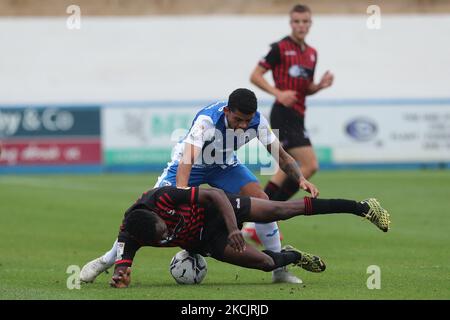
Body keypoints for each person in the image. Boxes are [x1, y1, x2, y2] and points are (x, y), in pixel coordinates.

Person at [81, 88, 318, 284]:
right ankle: (107, 260)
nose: (243, 126)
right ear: (227, 111)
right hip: (189, 164)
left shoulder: (257, 122)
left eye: (248, 120)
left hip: (224, 164)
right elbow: (188, 159)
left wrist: (300, 179)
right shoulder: (207, 120)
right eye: (238, 120)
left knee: (263, 200)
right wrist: (181, 194)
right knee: (148, 210)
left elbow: (283, 157)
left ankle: (279, 271)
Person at [107, 185, 390, 288]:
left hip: (219, 211)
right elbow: (122, 267)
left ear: (156, 214)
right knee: (267, 264)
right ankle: (294, 255)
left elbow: (214, 194)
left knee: (282, 209)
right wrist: (121, 277)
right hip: (207, 242)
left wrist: (233, 229)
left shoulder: (161, 197)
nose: (168, 234)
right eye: (163, 237)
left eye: (165, 228)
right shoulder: (129, 236)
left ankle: (362, 207)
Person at [248, 4, 334, 241]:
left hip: (298, 115)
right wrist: (277, 93)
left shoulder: (312, 53)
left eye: (305, 21)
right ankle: (262, 217)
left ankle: (260, 218)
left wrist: (319, 86)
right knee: (308, 164)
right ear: (290, 23)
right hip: (283, 113)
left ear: (310, 23)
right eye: (296, 21)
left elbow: (305, 89)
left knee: (284, 169)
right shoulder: (279, 48)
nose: (301, 26)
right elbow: (254, 75)